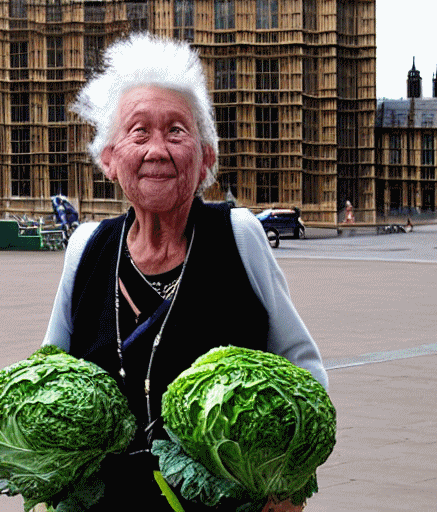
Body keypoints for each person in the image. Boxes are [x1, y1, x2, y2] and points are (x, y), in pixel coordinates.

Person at [42, 33, 327, 512]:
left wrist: (288, 477)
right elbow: (51, 376)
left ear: (205, 158)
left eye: (176, 131)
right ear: (109, 159)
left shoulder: (238, 234)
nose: (157, 149)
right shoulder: (86, 248)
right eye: (138, 133)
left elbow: (301, 364)